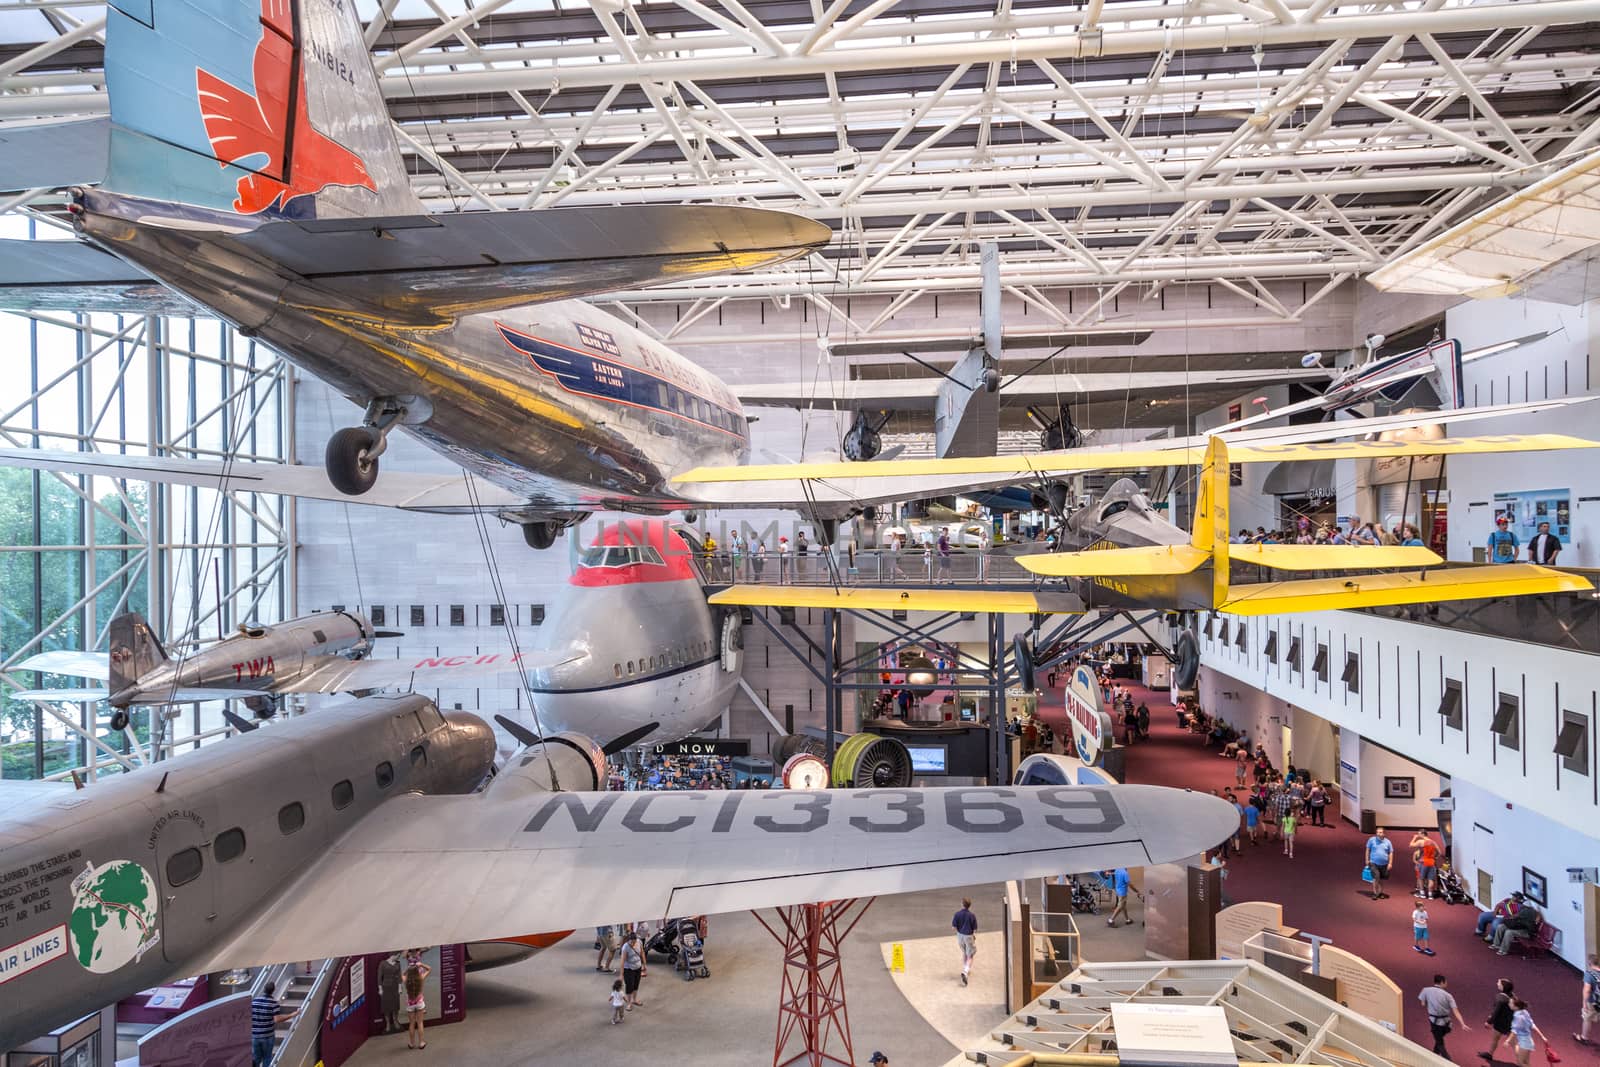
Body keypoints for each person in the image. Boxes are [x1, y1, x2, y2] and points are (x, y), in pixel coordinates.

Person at [1419, 973, 1470, 1059]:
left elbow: (1423, 1004)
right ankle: (1434, 1056)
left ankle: (1448, 1062)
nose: (1447, 983)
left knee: (1440, 1043)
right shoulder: (1448, 995)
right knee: (1439, 1041)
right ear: (1442, 982)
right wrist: (1462, 1024)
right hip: (1446, 1024)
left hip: (1434, 1022)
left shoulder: (1425, 990)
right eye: (1446, 982)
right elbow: (1455, 1011)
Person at [250, 981, 297, 1067]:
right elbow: (277, 1019)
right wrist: (292, 1015)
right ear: (273, 990)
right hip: (267, 1036)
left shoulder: (254, 1001)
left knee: (256, 1058)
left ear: (264, 989)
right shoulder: (273, 1003)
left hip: (255, 1036)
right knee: (267, 1058)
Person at [1483, 977, 1516, 1062]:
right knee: (1514, 1044)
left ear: (1502, 986)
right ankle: (1521, 1060)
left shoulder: (1500, 997)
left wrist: (1488, 1022)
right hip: (1510, 1023)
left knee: (1495, 1039)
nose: (1497, 984)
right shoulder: (1513, 996)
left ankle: (1490, 1054)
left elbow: (1496, 1012)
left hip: (1499, 1023)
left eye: (1499, 983)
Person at [1509, 997, 1548, 1067]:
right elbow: (1532, 1025)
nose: (1509, 1004)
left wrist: (1508, 1040)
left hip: (1525, 1043)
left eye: (1510, 1003)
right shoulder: (1525, 1012)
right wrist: (1542, 1036)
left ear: (1516, 1007)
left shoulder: (1518, 1016)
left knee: (1520, 1063)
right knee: (1526, 1062)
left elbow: (1514, 1030)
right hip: (1528, 1041)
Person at [404, 957, 432, 1049]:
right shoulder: (421, 978)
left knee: (411, 1023)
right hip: (420, 1003)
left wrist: (408, 968)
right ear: (417, 971)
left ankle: (411, 1043)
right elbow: (429, 969)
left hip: (410, 1004)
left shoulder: (406, 980)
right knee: (420, 1023)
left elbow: (402, 974)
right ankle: (421, 1043)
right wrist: (421, 964)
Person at [952, 897, 978, 985]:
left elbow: (954, 927)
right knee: (970, 955)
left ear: (962, 904)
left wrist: (959, 933)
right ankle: (965, 972)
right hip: (968, 936)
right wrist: (973, 935)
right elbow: (974, 928)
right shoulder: (972, 915)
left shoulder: (957, 914)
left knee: (964, 952)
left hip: (960, 936)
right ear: (969, 906)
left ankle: (965, 969)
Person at [1576, 953, 1600, 1046]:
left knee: (1587, 1018)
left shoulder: (1589, 974)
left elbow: (1587, 990)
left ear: (1589, 963)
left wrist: (1584, 1003)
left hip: (1593, 1001)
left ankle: (1584, 1037)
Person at [378, 951, 403, 1033]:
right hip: (386, 987)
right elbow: (379, 977)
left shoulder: (398, 964)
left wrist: (400, 988)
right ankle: (388, 1024)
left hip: (395, 987)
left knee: (395, 1005)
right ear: (394, 955)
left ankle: (395, 1021)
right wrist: (380, 989)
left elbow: (399, 977)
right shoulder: (383, 963)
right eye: (398, 955)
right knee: (386, 1006)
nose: (399, 957)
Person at [620, 931, 646, 1009]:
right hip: (629, 969)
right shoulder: (625, 947)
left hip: (638, 967)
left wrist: (644, 964)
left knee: (636, 985)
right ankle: (629, 1003)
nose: (633, 944)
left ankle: (634, 1000)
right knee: (629, 986)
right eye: (631, 942)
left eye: (634, 942)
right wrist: (621, 974)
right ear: (628, 940)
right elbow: (622, 961)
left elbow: (642, 953)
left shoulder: (639, 942)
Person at [1366, 828, 1394, 899]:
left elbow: (1390, 853)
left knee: (1380, 879)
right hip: (1373, 863)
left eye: (1380, 832)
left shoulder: (1388, 842)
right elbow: (1368, 850)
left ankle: (1380, 892)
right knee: (1376, 877)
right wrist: (1367, 860)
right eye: (1378, 832)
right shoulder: (1371, 840)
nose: (1379, 834)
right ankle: (1375, 893)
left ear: (1384, 833)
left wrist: (1390, 863)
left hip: (1384, 864)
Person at [1411, 831, 1441, 898]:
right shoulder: (1433, 842)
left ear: (1423, 834)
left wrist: (1414, 838)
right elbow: (1439, 852)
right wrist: (1435, 858)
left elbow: (1411, 845)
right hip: (1432, 862)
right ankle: (1430, 895)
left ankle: (1422, 894)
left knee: (1420, 878)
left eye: (1419, 834)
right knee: (1431, 879)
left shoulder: (1421, 841)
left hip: (1423, 862)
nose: (1418, 835)